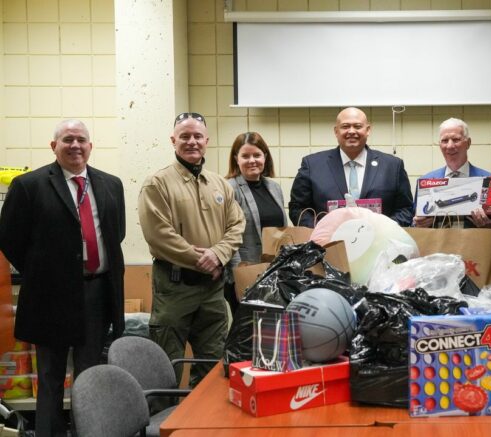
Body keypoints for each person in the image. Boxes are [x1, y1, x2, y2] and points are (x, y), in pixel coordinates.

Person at [0, 120, 125, 437]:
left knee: (89, 375)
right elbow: (10, 238)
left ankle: (88, 432)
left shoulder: (111, 184)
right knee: (52, 377)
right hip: (50, 297)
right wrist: (42, 273)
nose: (75, 145)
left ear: (90, 146)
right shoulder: (30, 186)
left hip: (97, 293)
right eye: (67, 139)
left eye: (81, 139)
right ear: (53, 145)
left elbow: (115, 233)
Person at [138, 112, 245, 385]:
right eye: (184, 136)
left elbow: (237, 225)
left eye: (198, 136)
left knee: (213, 368)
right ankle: (165, 425)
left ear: (207, 140)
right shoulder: (157, 183)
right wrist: (202, 258)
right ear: (173, 141)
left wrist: (218, 255)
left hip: (212, 291)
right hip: (174, 289)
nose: (192, 142)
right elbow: (158, 234)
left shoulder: (220, 184)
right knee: (167, 367)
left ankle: (206, 426)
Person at [288, 107, 413, 227]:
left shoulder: (392, 166)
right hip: (328, 245)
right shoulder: (312, 165)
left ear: (368, 130)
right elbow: (298, 208)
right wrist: (322, 231)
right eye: (345, 126)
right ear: (336, 131)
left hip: (380, 244)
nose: (352, 131)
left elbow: (405, 209)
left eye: (358, 126)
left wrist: (384, 230)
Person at [412, 118, 491, 241]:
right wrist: (417, 225)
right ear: (439, 145)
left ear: (468, 143)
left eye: (456, 139)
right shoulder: (426, 182)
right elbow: (412, 226)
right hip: (435, 255)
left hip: (475, 255)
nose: (450, 145)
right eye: (444, 140)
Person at [224, 132, 287, 311]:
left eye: (257, 155)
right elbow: (227, 235)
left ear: (265, 157)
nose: (252, 160)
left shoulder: (274, 188)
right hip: (245, 273)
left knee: (271, 332)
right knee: (248, 334)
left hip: (275, 274)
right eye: (245, 156)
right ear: (236, 159)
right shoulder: (229, 188)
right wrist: (239, 276)